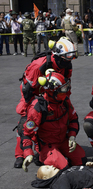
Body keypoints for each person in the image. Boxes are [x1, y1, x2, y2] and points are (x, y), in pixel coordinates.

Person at [14, 37, 76, 168]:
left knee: (61, 117)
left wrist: (65, 101)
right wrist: (33, 107)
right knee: (25, 122)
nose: (69, 61)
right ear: (58, 55)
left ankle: (51, 147)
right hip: (33, 93)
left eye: (70, 58)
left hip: (53, 93)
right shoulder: (38, 65)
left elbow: (66, 85)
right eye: (67, 58)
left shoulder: (66, 65)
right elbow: (27, 90)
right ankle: (21, 155)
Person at [21, 71, 86, 172]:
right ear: (52, 90)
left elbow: (73, 119)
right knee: (63, 168)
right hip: (47, 145)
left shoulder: (64, 101)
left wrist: (72, 136)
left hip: (63, 140)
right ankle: (42, 156)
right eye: (62, 90)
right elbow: (27, 134)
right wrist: (28, 153)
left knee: (81, 160)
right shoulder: (38, 107)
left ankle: (57, 155)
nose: (66, 92)